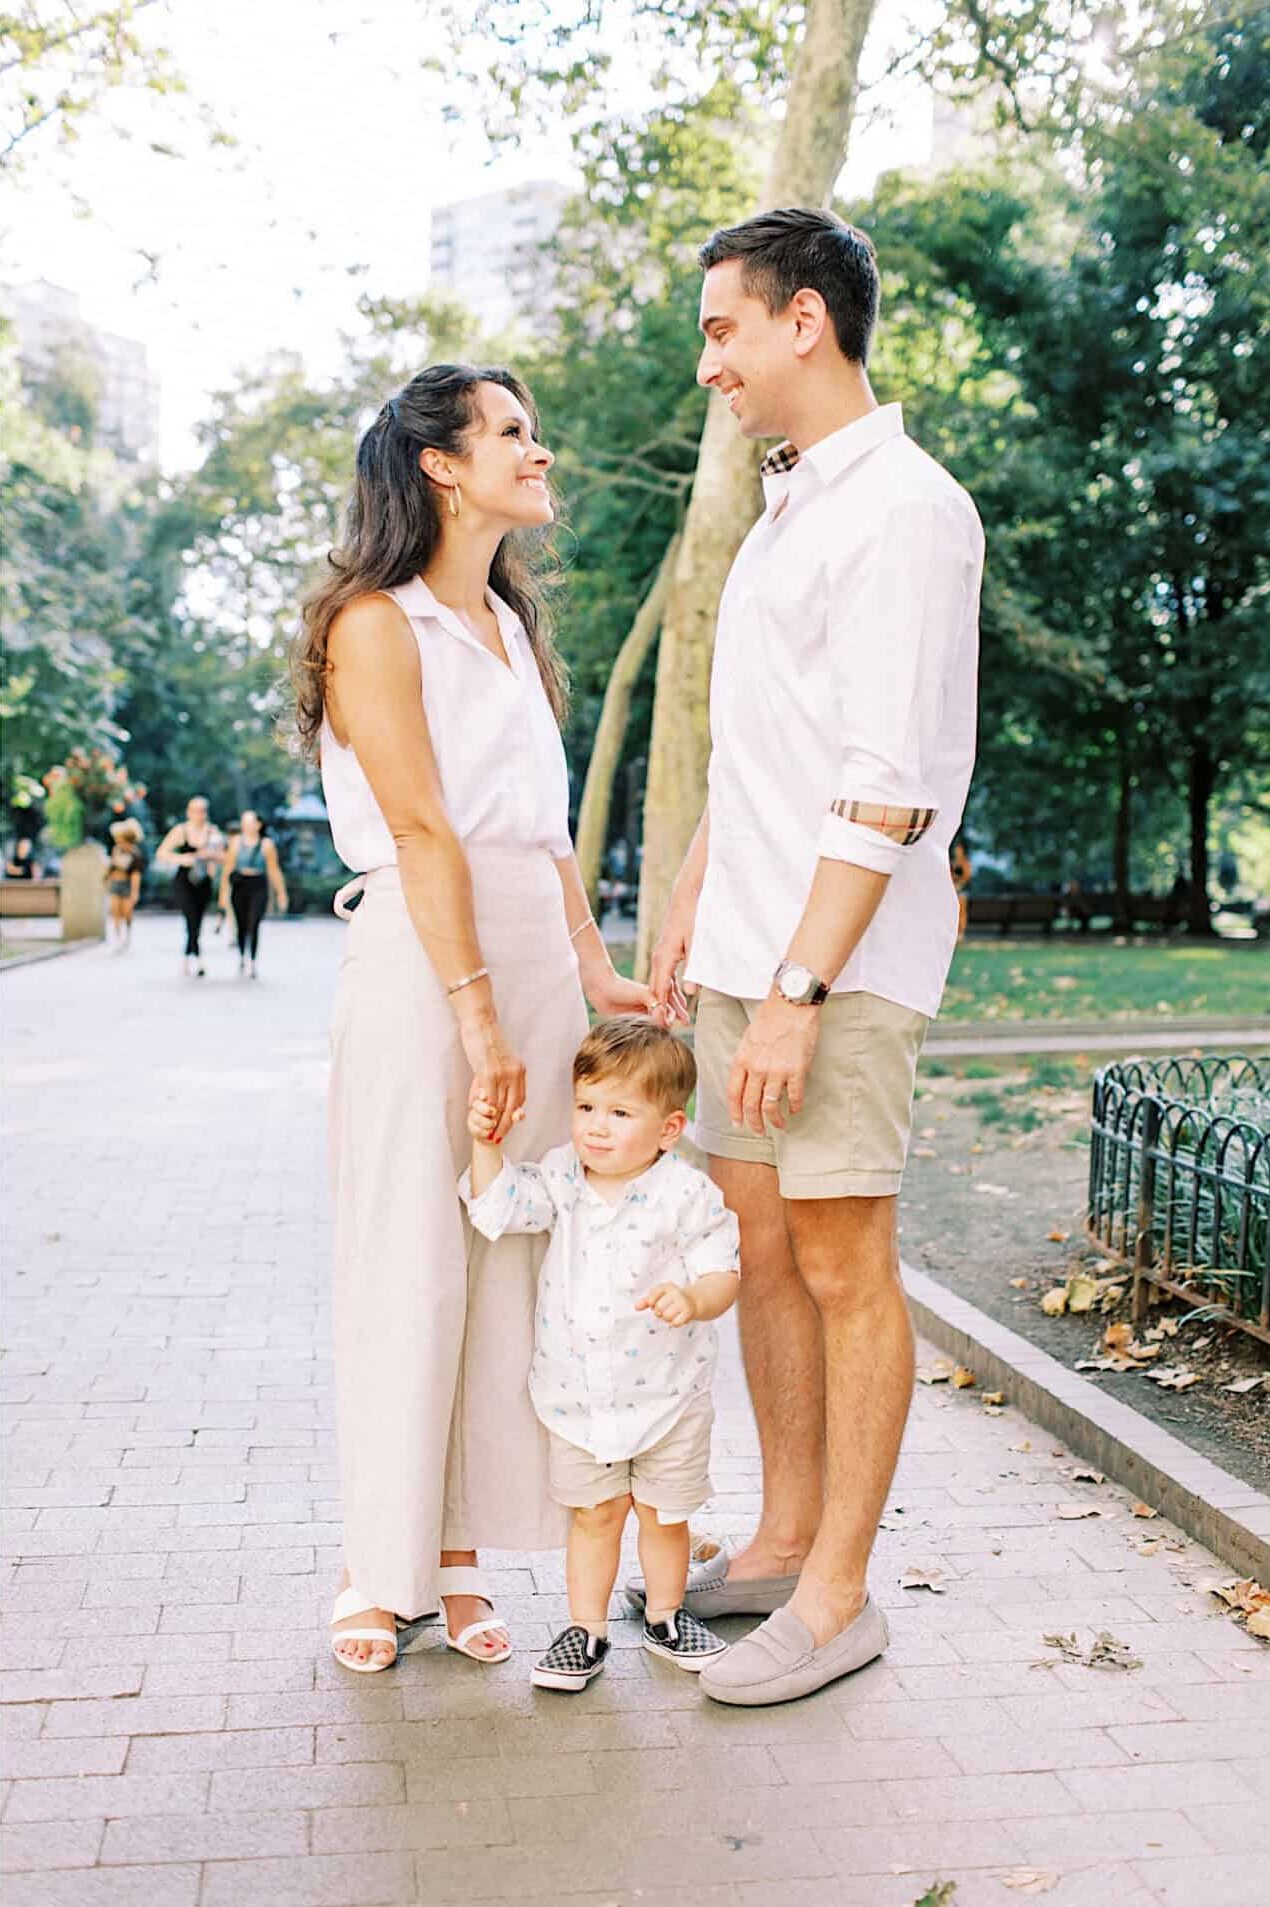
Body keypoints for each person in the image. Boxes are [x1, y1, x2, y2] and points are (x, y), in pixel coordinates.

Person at [638, 209, 983, 1706]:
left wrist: (793, 986)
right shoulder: (791, 507)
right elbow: (756, 752)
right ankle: (781, 1541)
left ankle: (840, 1596)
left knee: (841, 1256)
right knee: (761, 1245)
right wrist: (693, 901)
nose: (704, 358)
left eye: (720, 326)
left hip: (831, 965)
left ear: (802, 322)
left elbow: (885, 780)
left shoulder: (904, 507)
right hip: (747, 943)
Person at [293, 363, 658, 1674]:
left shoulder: (509, 630)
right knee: (410, 1256)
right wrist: (479, 1019)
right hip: (421, 958)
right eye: (512, 431)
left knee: (512, 1261)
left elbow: (541, 834)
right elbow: (419, 826)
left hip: (529, 962)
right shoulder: (372, 624)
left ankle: (454, 1552)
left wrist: (591, 971)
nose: (537, 450)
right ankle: (372, 1561)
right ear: (440, 464)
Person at [462, 1017, 740, 1692]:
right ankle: (585, 1629)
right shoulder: (563, 1176)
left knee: (665, 1514)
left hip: (669, 1397)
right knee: (594, 1515)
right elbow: (500, 1206)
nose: (596, 1126)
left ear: (669, 1129)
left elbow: (723, 1271)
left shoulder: (687, 1195)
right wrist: (485, 1143)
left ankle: (668, 1615)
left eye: (620, 1112)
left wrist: (693, 1299)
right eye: (586, 1107)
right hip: (578, 1395)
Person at [156, 797, 225, 977]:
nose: (199, 814)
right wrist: (183, 859)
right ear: (189, 812)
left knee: (197, 920)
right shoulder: (181, 831)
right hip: (184, 880)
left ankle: (189, 958)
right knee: (191, 918)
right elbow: (162, 853)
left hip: (203, 881)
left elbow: (225, 857)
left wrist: (210, 855)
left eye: (202, 810)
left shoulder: (213, 832)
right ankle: (197, 959)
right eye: (195, 810)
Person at [218, 810, 288, 977]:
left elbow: (274, 870)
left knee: (254, 922)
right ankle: (242, 955)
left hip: (258, 885)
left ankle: (253, 960)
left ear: (258, 825)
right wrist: (223, 893)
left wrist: (281, 893)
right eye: (245, 823)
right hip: (240, 884)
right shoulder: (235, 842)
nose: (248, 827)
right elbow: (227, 869)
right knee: (241, 922)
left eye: (251, 823)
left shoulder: (267, 844)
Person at [103, 819, 145, 952]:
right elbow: (110, 868)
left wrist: (135, 892)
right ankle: (117, 937)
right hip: (115, 882)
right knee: (115, 910)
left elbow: (136, 875)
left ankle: (127, 933)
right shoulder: (116, 851)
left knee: (127, 911)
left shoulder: (135, 854)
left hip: (127, 884)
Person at [950, 834, 973, 939]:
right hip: (954, 890)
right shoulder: (953, 862)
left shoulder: (965, 863)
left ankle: (961, 933)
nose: (957, 852)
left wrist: (959, 884)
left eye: (959, 850)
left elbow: (967, 877)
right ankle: (954, 932)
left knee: (961, 911)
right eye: (956, 850)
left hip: (961, 891)